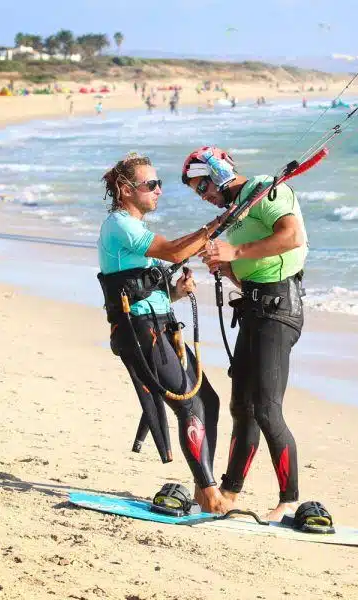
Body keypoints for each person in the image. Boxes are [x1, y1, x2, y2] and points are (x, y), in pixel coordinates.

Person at [98, 152, 233, 514]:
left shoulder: (135, 228)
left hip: (162, 326)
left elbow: (142, 284)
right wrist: (217, 224)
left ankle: (204, 483)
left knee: (210, 401)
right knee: (189, 406)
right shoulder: (120, 225)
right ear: (126, 190)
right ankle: (208, 492)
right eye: (152, 185)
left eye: (159, 184)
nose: (159, 191)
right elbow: (174, 252)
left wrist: (176, 292)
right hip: (141, 333)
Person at [181, 147, 308, 521]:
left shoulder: (267, 189)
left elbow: (291, 236)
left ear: (218, 172)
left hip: (280, 307)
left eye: (202, 186)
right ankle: (230, 492)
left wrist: (234, 249)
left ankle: (290, 501)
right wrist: (224, 263)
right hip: (252, 308)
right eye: (196, 191)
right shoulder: (234, 214)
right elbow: (242, 270)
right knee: (242, 409)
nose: (202, 195)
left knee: (267, 408)